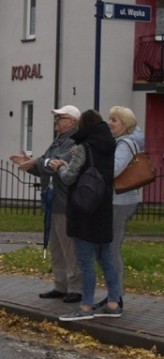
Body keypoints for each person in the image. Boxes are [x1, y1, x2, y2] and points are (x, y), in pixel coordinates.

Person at [47, 109, 118, 321]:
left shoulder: (84, 148)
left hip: (84, 211)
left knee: (85, 262)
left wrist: (60, 166)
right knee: (106, 260)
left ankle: (85, 307)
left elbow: (69, 178)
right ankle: (113, 303)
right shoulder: (110, 146)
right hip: (103, 208)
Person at [10, 105, 82, 303]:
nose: (56, 121)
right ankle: (60, 285)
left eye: (61, 117)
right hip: (51, 200)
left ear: (73, 121)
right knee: (56, 246)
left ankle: (76, 287)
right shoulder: (58, 141)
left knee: (69, 247)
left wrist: (37, 162)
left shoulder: (75, 141)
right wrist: (29, 164)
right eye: (56, 118)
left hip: (65, 201)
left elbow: (55, 164)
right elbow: (45, 166)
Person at [104, 106, 143, 313]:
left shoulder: (125, 144)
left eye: (114, 120)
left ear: (125, 125)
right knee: (108, 249)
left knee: (111, 249)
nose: (109, 122)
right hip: (116, 201)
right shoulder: (117, 143)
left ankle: (116, 297)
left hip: (120, 202)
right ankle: (113, 294)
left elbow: (114, 170)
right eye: (110, 118)